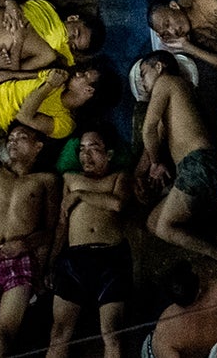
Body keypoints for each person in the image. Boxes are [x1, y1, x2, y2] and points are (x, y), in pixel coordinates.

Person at [138, 52, 217, 272]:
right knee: (153, 222)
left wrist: (156, 163)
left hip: (198, 163)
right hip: (196, 166)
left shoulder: (167, 82)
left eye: (143, 75)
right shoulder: (178, 94)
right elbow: (156, 136)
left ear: (159, 66)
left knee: (165, 227)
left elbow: (147, 130)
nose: (142, 84)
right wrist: (140, 173)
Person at [0, 123, 60, 358]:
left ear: (38, 146)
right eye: (10, 137)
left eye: (21, 137)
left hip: (21, 261)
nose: (13, 141)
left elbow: (50, 230)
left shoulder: (46, 180)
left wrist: (25, 245)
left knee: (2, 339)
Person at [47, 129, 133, 358]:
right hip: (74, 260)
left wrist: (81, 195)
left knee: (112, 334)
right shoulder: (69, 179)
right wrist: (52, 260)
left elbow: (117, 205)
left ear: (109, 154)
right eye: (82, 149)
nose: (86, 155)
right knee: (58, 333)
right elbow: (62, 225)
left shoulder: (119, 177)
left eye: (94, 148)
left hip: (111, 259)